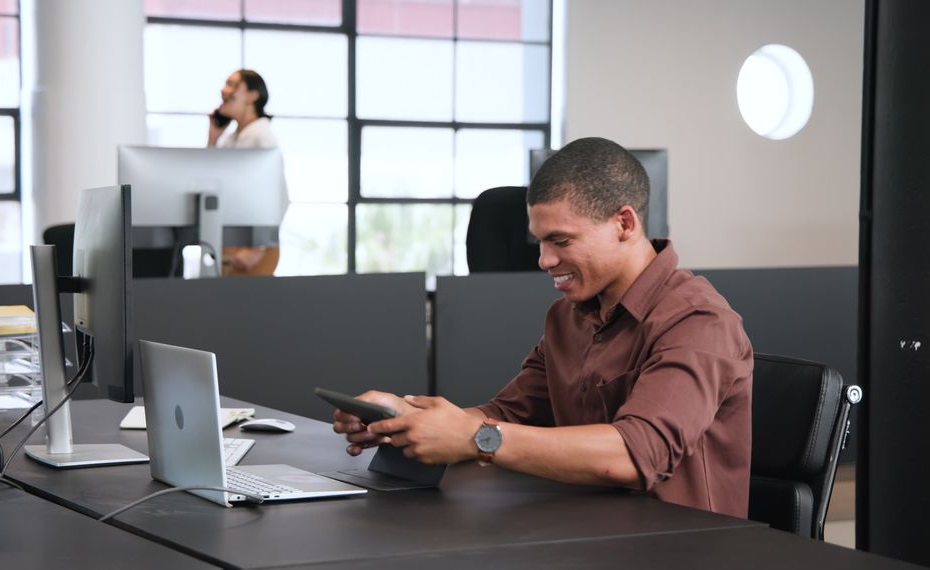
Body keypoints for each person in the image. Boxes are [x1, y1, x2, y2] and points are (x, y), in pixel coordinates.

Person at [332, 137, 754, 517]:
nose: (544, 261)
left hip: (680, 548)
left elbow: (634, 453)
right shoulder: (567, 318)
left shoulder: (698, 321)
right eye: (541, 243)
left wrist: (477, 438)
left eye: (562, 241)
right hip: (587, 534)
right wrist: (408, 421)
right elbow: (505, 415)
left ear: (624, 224)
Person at [207, 69, 281, 275]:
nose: (224, 90)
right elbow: (208, 180)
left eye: (232, 84)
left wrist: (257, 249)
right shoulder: (230, 139)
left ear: (253, 95)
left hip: (253, 248)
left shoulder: (261, 137)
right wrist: (213, 138)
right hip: (230, 243)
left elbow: (276, 196)